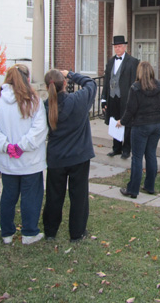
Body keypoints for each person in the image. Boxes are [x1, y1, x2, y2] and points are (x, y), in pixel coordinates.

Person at [0, 65, 48, 245]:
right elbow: (40, 129)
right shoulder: (33, 100)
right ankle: (29, 232)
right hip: (29, 160)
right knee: (30, 197)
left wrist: (7, 146)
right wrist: (16, 146)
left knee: (8, 196)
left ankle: (7, 232)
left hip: (9, 159)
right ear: (27, 78)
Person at [42, 70, 97, 243]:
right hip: (78, 157)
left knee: (53, 195)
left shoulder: (45, 107)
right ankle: (77, 233)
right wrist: (71, 74)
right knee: (79, 195)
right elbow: (91, 83)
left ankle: (50, 232)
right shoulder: (78, 101)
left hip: (57, 158)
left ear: (46, 87)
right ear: (65, 83)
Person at [117, 61, 160, 199]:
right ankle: (149, 186)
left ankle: (133, 190)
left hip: (140, 126)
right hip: (157, 124)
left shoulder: (135, 88)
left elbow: (130, 110)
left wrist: (121, 122)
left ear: (139, 72)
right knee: (151, 154)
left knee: (137, 157)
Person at [101, 35, 139, 159]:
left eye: (119, 46)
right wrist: (103, 99)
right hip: (112, 97)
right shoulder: (111, 61)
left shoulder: (133, 62)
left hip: (126, 98)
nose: (117, 49)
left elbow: (135, 82)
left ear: (125, 47)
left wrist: (134, 99)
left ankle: (126, 149)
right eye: (115, 47)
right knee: (114, 122)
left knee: (126, 122)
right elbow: (107, 80)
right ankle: (116, 148)